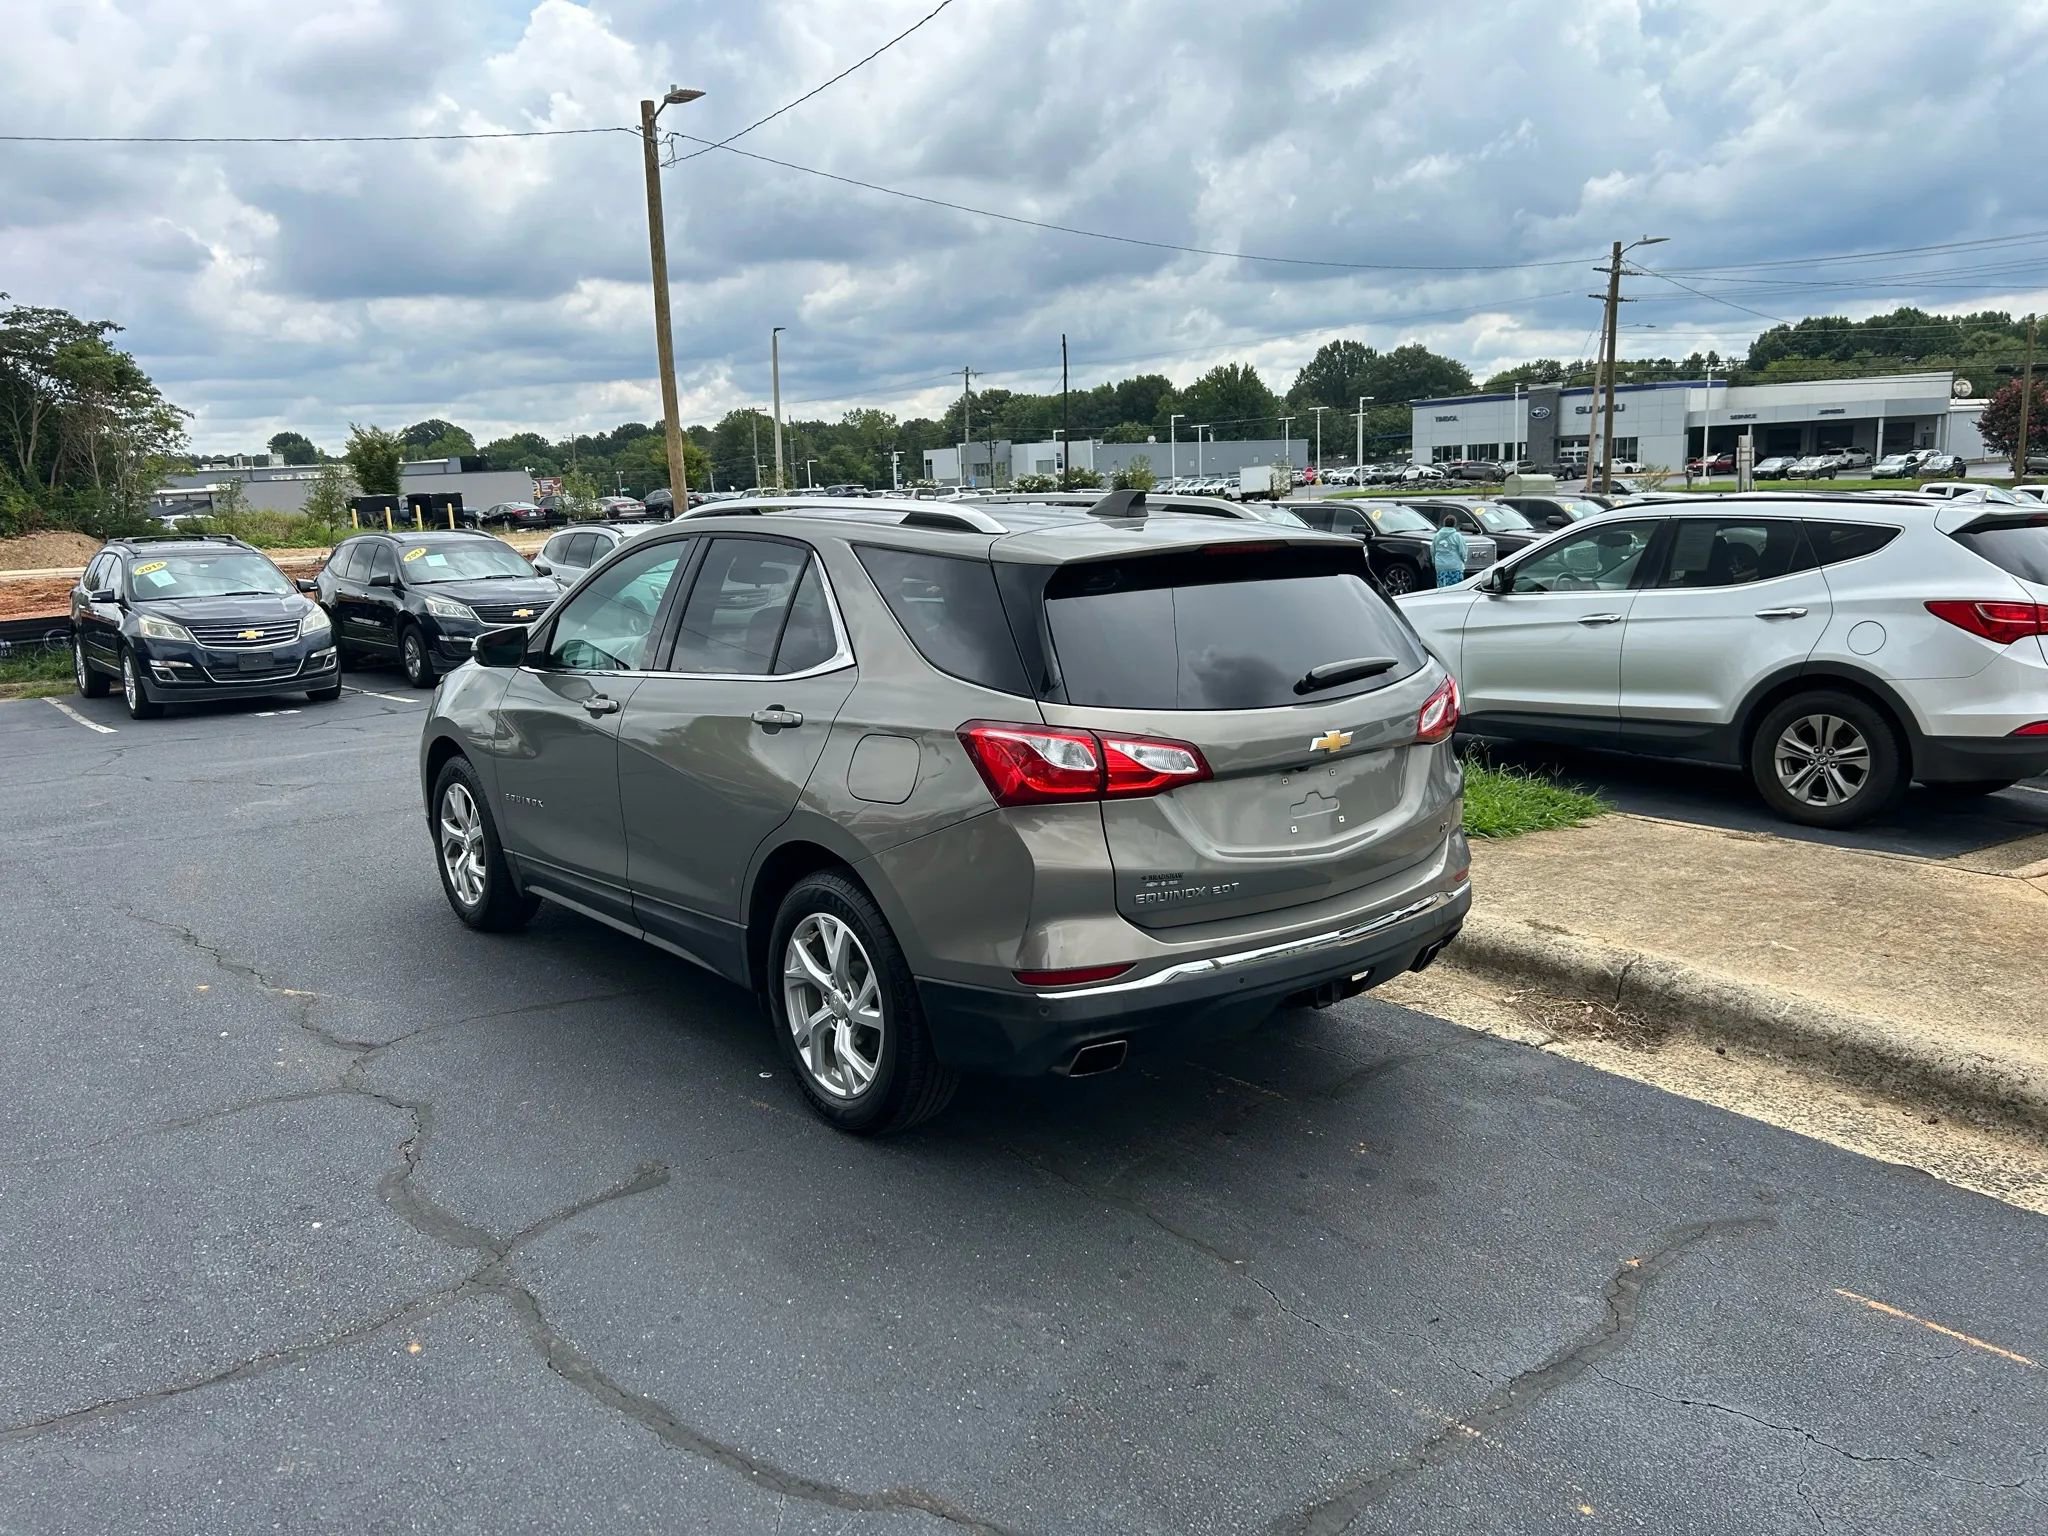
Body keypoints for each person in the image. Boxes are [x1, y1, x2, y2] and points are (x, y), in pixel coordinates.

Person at [1431, 516, 1470, 587]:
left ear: (1444, 523)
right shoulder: (1457, 536)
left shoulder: (1437, 536)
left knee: (1442, 587)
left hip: (1440, 566)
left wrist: (1434, 561)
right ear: (1454, 524)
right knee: (1456, 588)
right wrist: (1464, 559)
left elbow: (1433, 550)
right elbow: (1462, 550)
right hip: (1455, 566)